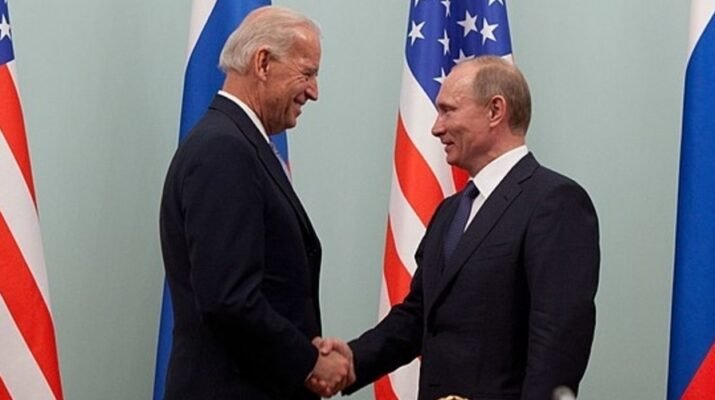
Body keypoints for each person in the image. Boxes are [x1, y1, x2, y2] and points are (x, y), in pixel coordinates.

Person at [317, 56, 600, 400]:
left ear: (496, 110)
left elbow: (558, 341)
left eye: (448, 110)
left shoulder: (554, 202)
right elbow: (418, 315)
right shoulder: (451, 211)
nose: (436, 127)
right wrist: (353, 360)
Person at [159, 6, 349, 399]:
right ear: (263, 63)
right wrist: (309, 362)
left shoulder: (238, 143)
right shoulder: (224, 150)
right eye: (308, 72)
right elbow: (228, 298)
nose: (314, 91)